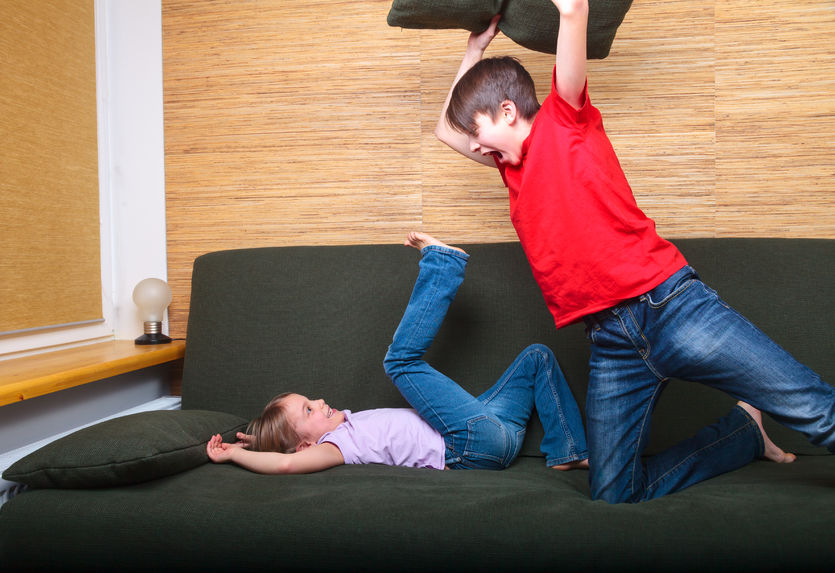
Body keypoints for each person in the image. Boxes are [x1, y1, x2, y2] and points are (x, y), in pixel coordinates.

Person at [435, 0, 834, 503]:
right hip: (611, 343)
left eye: (480, 134)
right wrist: (474, 51)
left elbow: (575, 10)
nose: (474, 147)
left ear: (508, 111)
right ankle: (743, 434)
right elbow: (445, 130)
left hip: (671, 308)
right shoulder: (510, 169)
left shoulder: (566, 117)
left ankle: (759, 425)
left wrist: (568, 12)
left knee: (812, 407)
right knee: (614, 492)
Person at [207, 232, 589, 474]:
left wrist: (259, 438)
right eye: (309, 410)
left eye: (310, 400)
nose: (320, 401)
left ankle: (568, 450)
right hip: (469, 445)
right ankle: (442, 266)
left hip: (493, 424)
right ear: (308, 443)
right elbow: (288, 461)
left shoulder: (343, 427)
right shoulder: (336, 447)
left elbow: (283, 445)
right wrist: (236, 456)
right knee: (399, 361)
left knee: (537, 357)